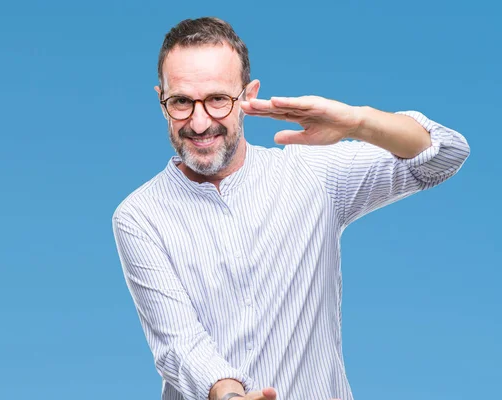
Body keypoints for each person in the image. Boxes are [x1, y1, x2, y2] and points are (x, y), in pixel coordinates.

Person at [112, 17, 470, 400]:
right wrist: (228, 394)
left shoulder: (312, 174)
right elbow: (181, 345)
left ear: (248, 95)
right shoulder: (139, 216)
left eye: (218, 99)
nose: (199, 123)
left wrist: (355, 121)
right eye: (181, 101)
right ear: (161, 100)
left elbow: (444, 154)